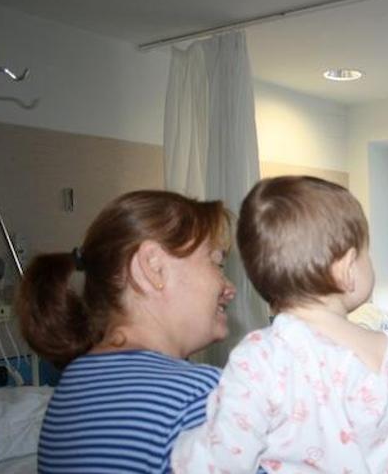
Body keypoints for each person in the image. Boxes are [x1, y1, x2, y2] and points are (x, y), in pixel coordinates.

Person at [172, 175, 388, 473]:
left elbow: (224, 458)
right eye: (366, 250)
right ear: (347, 267)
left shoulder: (260, 356)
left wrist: (185, 450)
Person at [16, 190, 236, 473]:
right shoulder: (199, 396)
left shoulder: (70, 388)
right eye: (217, 263)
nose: (229, 288)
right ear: (154, 267)